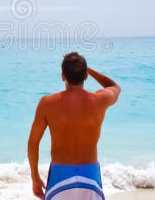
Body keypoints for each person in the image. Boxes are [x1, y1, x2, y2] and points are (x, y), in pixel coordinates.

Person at [28, 52, 121, 200]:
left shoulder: (47, 103)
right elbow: (114, 86)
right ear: (85, 76)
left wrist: (35, 178)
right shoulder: (100, 100)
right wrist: (88, 70)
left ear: (63, 76)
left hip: (60, 176)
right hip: (90, 174)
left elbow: (33, 143)